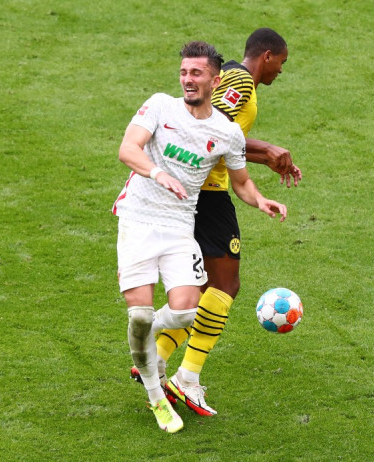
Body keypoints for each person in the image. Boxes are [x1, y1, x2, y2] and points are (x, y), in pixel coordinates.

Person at [113, 40, 287, 433]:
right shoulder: (161, 105)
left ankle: (156, 346)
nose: (188, 79)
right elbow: (127, 149)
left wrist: (260, 200)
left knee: (186, 310)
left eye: (196, 73)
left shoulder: (226, 132)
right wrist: (158, 173)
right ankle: (161, 394)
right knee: (144, 313)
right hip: (139, 218)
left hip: (180, 223)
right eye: (184, 72)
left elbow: (241, 180)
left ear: (214, 79)